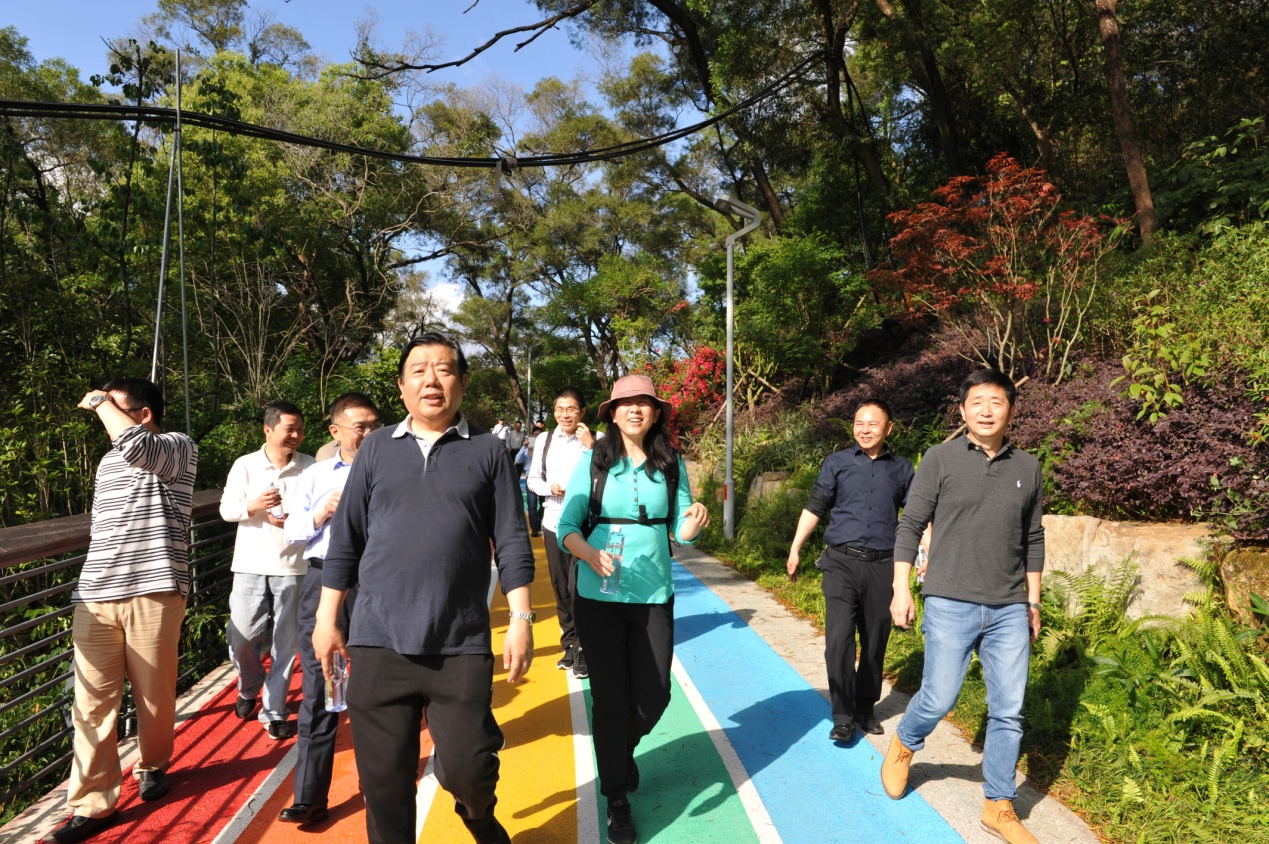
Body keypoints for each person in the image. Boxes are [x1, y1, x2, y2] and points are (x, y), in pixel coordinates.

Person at [313, 333, 535, 844]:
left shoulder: (488, 450)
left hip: (459, 643)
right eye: (419, 370)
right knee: (384, 786)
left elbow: (511, 540)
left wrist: (521, 620)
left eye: (444, 369)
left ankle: (478, 816)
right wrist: (327, 620)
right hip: (377, 641)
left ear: (462, 383)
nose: (431, 380)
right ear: (401, 385)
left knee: (469, 769)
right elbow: (346, 539)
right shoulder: (375, 450)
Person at [882, 369, 1045, 844]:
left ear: (1011, 410)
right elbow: (911, 525)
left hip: (1009, 605)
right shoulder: (940, 458)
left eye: (997, 402)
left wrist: (1033, 600)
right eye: (977, 402)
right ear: (962, 410)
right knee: (939, 696)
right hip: (949, 599)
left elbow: (1033, 537)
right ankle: (906, 742)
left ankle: (998, 804)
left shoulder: (1028, 466)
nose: (987, 411)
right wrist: (901, 588)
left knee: (1008, 709)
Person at [558, 374, 710, 844]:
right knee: (611, 700)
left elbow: (681, 529)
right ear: (612, 413)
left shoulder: (670, 462)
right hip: (598, 598)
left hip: (653, 595)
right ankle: (617, 799)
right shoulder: (594, 461)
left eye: (645, 402)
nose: (635, 409)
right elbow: (567, 528)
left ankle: (621, 751)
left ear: (656, 412)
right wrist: (589, 553)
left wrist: (694, 523)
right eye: (626, 403)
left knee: (655, 695)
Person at [49, 380, 197, 844]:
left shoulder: (176, 446)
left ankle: (152, 764)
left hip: (154, 589)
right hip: (95, 592)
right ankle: (92, 804)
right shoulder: (107, 461)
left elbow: (137, 446)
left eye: (114, 405)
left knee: (154, 695)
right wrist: (108, 405)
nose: (102, 411)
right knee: (91, 704)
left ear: (144, 414)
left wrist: (98, 399)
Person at [277, 393, 380, 825]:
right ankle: (309, 795)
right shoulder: (316, 475)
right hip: (323, 582)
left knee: (376, 686)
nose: (369, 433)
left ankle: (379, 785)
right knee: (322, 683)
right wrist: (321, 513)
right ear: (336, 431)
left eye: (375, 425)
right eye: (360, 427)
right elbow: (293, 531)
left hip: (378, 582)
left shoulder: (393, 468)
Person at [786, 399, 914, 740]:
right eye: (859, 423)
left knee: (875, 640)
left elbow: (917, 518)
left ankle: (865, 708)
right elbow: (815, 506)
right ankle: (842, 716)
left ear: (888, 428)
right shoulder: (837, 462)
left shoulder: (902, 469)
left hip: (883, 565)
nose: (865, 429)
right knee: (839, 640)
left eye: (873, 424)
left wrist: (928, 555)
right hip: (840, 563)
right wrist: (796, 547)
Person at [219, 401, 314, 740]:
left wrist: (297, 520)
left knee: (286, 643)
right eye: (290, 429)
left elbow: (320, 510)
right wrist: (255, 506)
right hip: (250, 563)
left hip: (294, 565)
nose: (296, 435)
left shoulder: (311, 466)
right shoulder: (245, 465)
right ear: (268, 430)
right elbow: (226, 510)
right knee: (241, 636)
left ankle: (274, 710)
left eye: (300, 429)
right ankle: (249, 685)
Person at [527, 388, 596, 678]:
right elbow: (532, 479)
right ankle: (568, 644)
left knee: (579, 586)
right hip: (553, 521)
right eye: (560, 409)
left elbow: (608, 474)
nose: (565, 414)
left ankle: (583, 647)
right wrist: (550, 488)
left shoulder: (598, 440)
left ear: (582, 411)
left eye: (571, 409)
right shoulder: (544, 440)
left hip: (585, 525)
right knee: (560, 587)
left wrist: (591, 446)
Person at [524, 422, 546, 536]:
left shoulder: (547, 447)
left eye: (539, 435)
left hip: (544, 479)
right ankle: (534, 528)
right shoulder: (528, 448)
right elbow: (518, 460)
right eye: (535, 435)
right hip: (530, 479)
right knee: (531, 504)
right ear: (532, 436)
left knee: (544, 504)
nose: (537, 437)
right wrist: (524, 447)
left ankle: (537, 520)